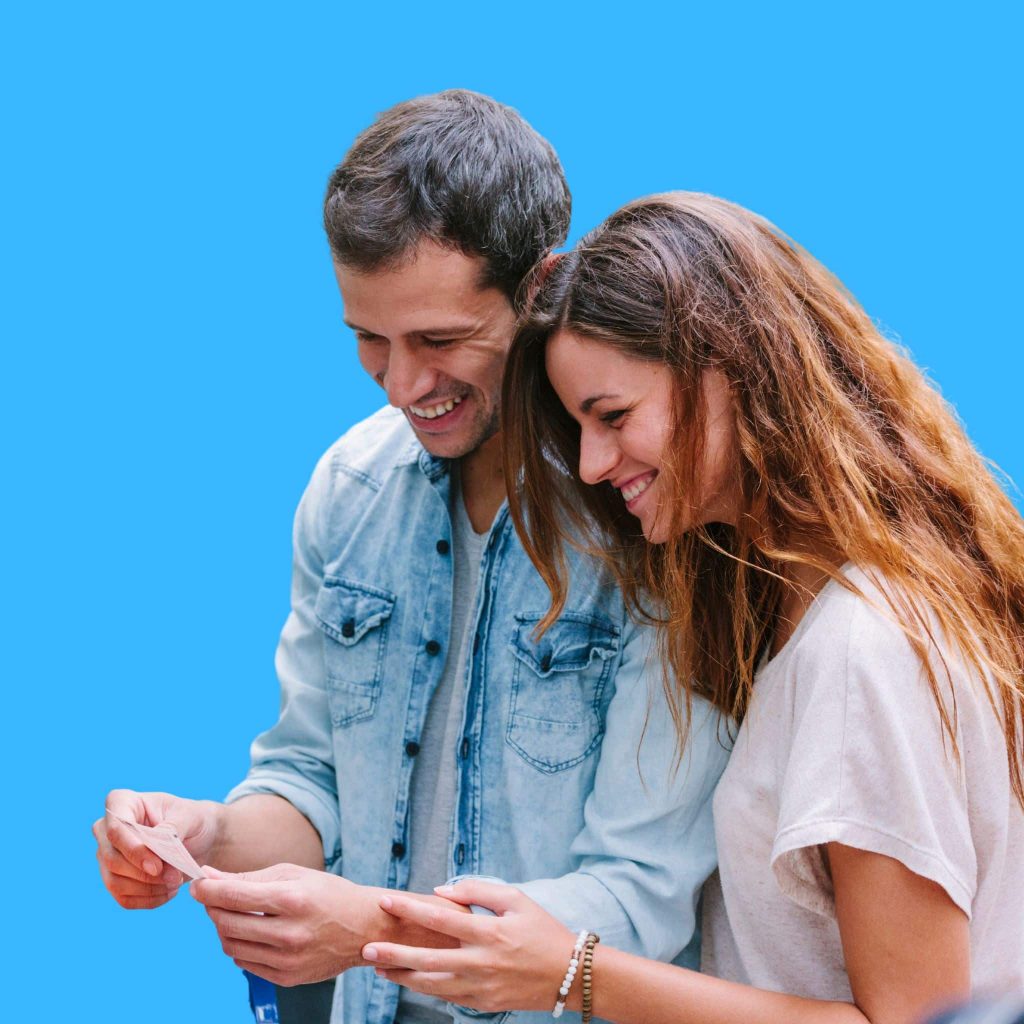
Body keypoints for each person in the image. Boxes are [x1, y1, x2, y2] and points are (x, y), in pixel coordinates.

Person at [92, 100, 730, 1024]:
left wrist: (368, 932)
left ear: (541, 288)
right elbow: (313, 781)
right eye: (369, 340)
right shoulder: (348, 492)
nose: (402, 386)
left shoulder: (655, 516)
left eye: (439, 341)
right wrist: (211, 832)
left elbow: (638, 899)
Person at [358, 192, 1024, 1024]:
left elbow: (914, 1021)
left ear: (733, 369)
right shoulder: (803, 601)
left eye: (614, 417)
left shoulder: (861, 651)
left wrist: (572, 971)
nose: (594, 464)